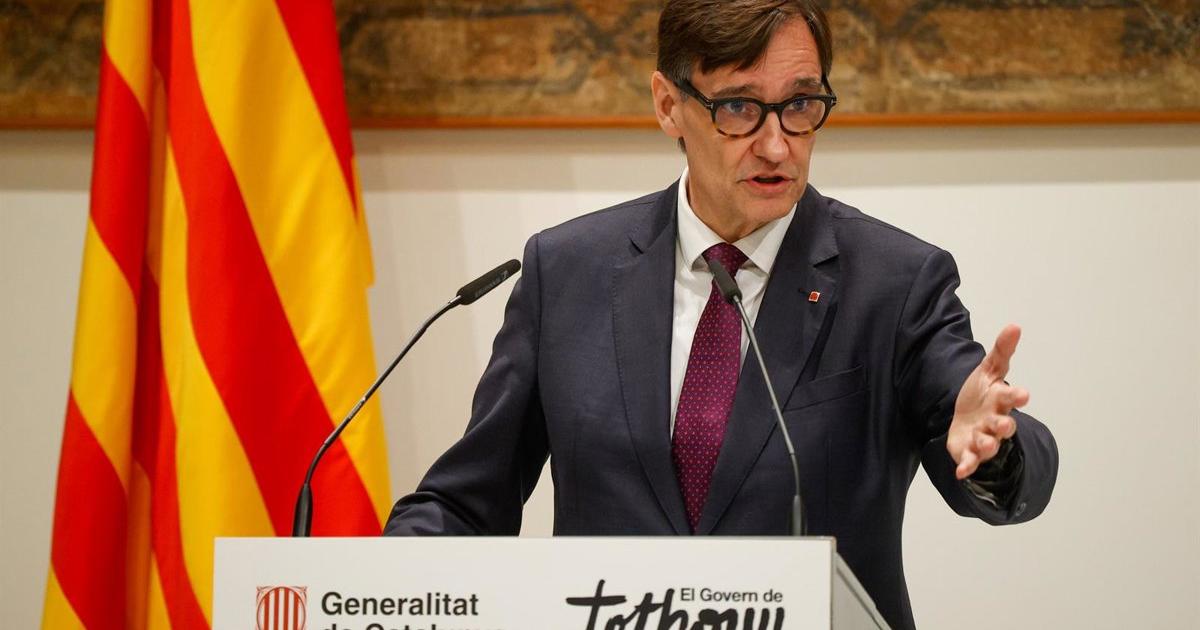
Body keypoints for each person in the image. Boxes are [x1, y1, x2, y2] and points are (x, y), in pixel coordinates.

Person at [383, 1, 1058, 628]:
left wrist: (995, 450)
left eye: (800, 105)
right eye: (739, 107)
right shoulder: (566, 272)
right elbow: (468, 502)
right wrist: (370, 585)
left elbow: (993, 450)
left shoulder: (895, 282)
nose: (776, 145)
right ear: (668, 105)